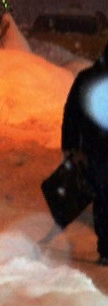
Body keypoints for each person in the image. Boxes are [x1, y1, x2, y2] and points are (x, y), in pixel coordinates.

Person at [61, 40, 108, 263]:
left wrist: (70, 147)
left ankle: (106, 248)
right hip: (98, 151)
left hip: (93, 150)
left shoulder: (87, 78)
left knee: (103, 198)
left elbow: (71, 114)